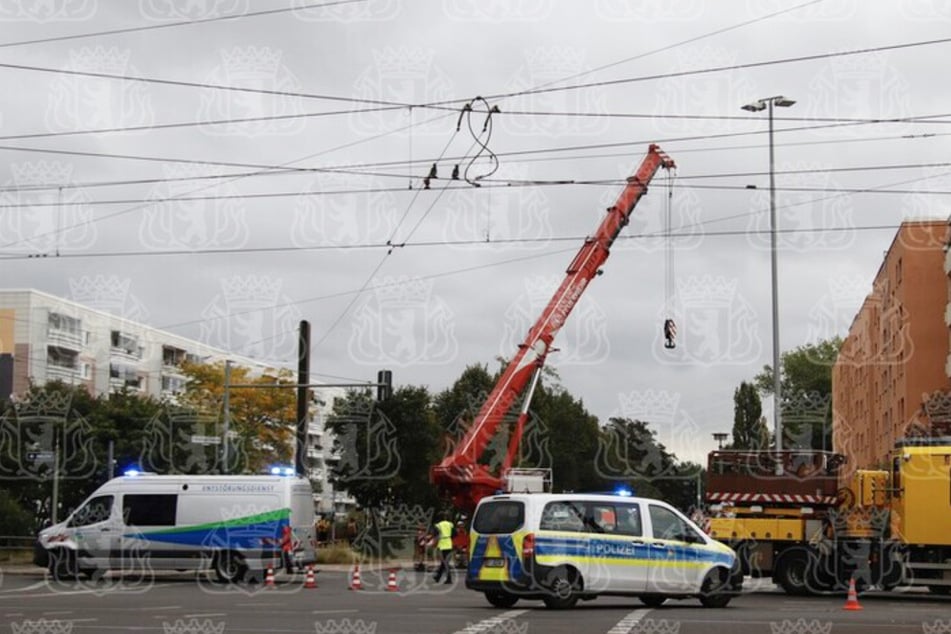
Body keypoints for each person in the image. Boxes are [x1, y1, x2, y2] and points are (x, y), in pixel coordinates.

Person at [432, 512, 454, 584]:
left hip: (442, 545)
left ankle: (449, 578)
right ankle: (438, 577)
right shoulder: (450, 524)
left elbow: (436, 536)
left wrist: (433, 543)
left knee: (445, 562)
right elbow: (455, 533)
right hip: (449, 544)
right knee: (445, 562)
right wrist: (449, 537)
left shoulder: (438, 525)